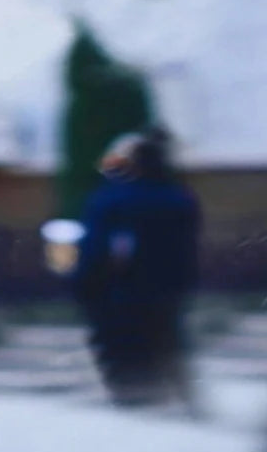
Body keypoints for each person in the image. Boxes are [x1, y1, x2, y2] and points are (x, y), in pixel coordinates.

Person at [73, 128, 201, 409]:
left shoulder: (113, 200)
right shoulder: (179, 199)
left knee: (124, 357)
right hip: (167, 293)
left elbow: (97, 250)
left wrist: (83, 285)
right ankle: (181, 402)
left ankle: (136, 404)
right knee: (167, 348)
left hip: (119, 294)